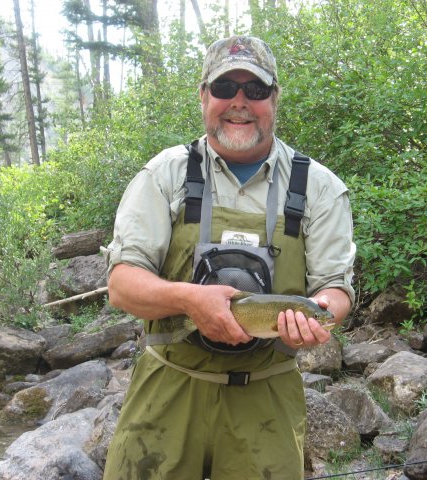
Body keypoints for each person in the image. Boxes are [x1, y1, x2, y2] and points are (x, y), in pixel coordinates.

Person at [102, 35, 355, 480]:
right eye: (225, 89)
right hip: (167, 392)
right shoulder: (165, 174)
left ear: (275, 98)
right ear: (203, 96)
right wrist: (189, 300)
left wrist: (319, 320)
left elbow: (335, 290)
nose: (240, 102)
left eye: (255, 91)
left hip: (267, 401)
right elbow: (122, 285)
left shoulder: (320, 187)